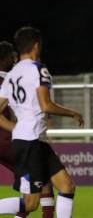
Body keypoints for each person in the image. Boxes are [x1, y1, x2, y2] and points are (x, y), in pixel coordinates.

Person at [0, 27, 83, 218]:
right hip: (30, 144)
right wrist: (72, 113)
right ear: (36, 46)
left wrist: (16, 127)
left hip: (31, 141)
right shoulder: (38, 69)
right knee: (30, 204)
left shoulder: (12, 76)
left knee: (67, 186)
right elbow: (46, 105)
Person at [0, 41, 56, 218]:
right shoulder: (9, 80)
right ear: (6, 59)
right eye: (13, 57)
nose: (15, 60)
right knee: (35, 195)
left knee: (38, 186)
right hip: (8, 142)